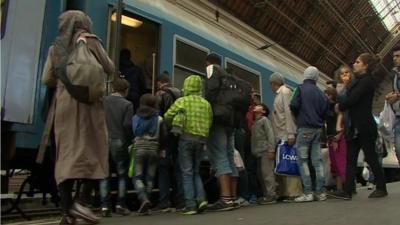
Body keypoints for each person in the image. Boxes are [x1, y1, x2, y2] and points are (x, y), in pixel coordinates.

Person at [42, 10, 114, 225]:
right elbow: (109, 68)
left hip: (64, 107)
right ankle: (81, 202)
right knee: (94, 151)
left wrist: (66, 82)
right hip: (90, 106)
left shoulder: (55, 48)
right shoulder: (91, 41)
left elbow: (47, 79)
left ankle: (67, 211)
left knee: (66, 156)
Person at [331, 53, 388, 200]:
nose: (354, 64)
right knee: (351, 158)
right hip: (354, 127)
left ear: (365, 65)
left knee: (371, 157)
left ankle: (381, 188)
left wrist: (340, 106)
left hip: (364, 126)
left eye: (357, 62)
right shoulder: (357, 81)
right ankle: (347, 190)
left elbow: (353, 99)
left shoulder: (367, 81)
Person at [164, 75, 213, 215]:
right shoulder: (206, 103)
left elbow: (168, 115)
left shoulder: (182, 101)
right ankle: (201, 199)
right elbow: (210, 122)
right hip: (201, 140)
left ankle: (190, 205)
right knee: (196, 171)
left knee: (186, 171)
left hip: (186, 138)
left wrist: (173, 125)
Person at [204, 53, 240, 211]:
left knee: (220, 156)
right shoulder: (230, 77)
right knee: (229, 157)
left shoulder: (212, 70)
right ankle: (232, 197)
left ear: (208, 63)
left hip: (219, 121)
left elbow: (210, 92)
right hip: (231, 122)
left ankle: (225, 199)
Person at [290, 66, 328, 202]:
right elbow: (326, 112)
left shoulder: (299, 89)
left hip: (305, 128)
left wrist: (300, 117)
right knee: (317, 162)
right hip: (318, 130)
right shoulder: (321, 93)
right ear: (316, 78)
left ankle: (308, 192)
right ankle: (321, 192)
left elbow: (293, 105)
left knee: (303, 161)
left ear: (305, 75)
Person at [100, 78, 133, 217]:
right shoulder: (127, 104)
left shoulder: (103, 101)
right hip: (119, 140)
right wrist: (130, 139)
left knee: (104, 175)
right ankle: (120, 204)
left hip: (103, 140)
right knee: (121, 174)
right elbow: (127, 125)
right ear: (125, 90)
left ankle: (104, 207)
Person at [268, 73, 303, 202]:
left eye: (270, 84)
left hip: (286, 133)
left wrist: (290, 133)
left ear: (274, 83)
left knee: (290, 162)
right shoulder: (280, 94)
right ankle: (285, 192)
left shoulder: (285, 92)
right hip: (281, 134)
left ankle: (294, 192)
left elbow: (288, 114)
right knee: (284, 162)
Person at [132, 94, 168, 214]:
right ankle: (146, 204)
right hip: (154, 149)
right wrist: (161, 148)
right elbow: (164, 136)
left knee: (137, 177)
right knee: (150, 177)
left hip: (139, 148)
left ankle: (143, 198)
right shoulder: (159, 119)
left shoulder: (136, 117)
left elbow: (131, 131)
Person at [154, 72, 184, 212]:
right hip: (179, 133)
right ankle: (180, 199)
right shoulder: (180, 93)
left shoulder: (160, 94)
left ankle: (164, 200)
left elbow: (157, 117)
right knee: (179, 166)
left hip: (166, 136)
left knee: (163, 166)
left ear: (160, 82)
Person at [250, 104, 277, 204]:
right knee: (261, 174)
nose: (255, 106)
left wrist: (271, 149)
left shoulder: (264, 120)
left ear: (264, 111)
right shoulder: (255, 123)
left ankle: (271, 194)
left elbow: (270, 135)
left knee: (267, 173)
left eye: (259, 106)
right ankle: (266, 194)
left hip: (265, 150)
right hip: (258, 152)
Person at [324, 87, 346, 193]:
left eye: (327, 94)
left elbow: (343, 122)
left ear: (332, 95)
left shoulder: (337, 106)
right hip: (330, 137)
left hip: (337, 138)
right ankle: (339, 189)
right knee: (334, 164)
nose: (326, 96)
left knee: (340, 163)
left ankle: (346, 188)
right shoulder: (327, 107)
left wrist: (338, 136)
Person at [385, 45, 400, 166]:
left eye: (398, 56)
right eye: (394, 56)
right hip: (398, 116)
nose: (395, 58)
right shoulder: (395, 75)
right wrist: (391, 95)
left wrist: (398, 96)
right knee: (398, 149)